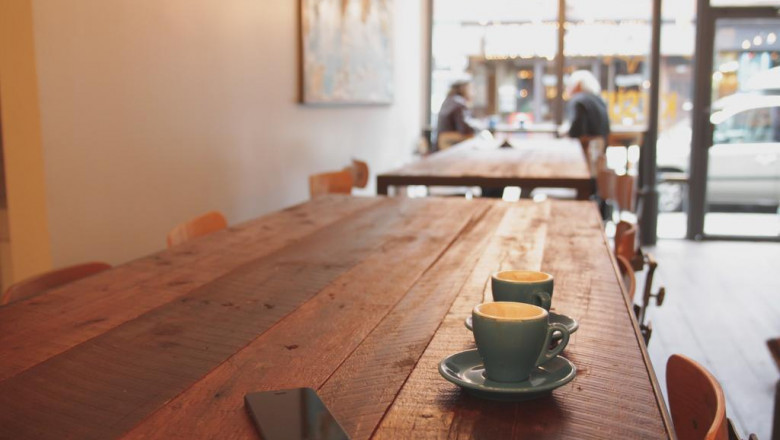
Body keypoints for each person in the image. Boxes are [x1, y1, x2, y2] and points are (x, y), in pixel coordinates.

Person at [435, 79, 476, 152]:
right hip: (450, 144)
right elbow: (465, 130)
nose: (473, 93)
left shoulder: (448, 100)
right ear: (464, 89)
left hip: (440, 145)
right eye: (471, 89)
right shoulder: (459, 103)